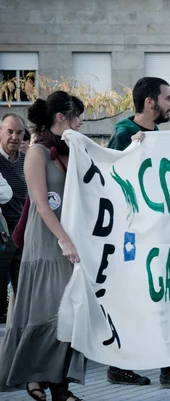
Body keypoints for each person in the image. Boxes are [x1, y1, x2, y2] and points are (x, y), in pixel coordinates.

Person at [106, 77, 170, 389]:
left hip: (158, 235)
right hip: (133, 238)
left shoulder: (158, 135)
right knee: (144, 299)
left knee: (160, 298)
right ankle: (153, 367)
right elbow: (110, 178)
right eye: (166, 98)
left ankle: (162, 366)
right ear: (150, 102)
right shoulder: (125, 134)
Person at [0, 91, 86, 401]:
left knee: (67, 315)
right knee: (48, 313)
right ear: (61, 117)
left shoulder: (71, 149)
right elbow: (41, 204)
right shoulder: (36, 153)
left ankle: (49, 381)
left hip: (70, 242)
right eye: (77, 117)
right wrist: (64, 240)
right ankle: (49, 383)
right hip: (47, 244)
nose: (80, 124)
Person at [0, 113, 28, 324]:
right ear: (1, 132)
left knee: (23, 292)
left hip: (23, 236)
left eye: (19, 132)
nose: (15, 137)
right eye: (10, 131)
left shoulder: (28, 161)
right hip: (2, 237)